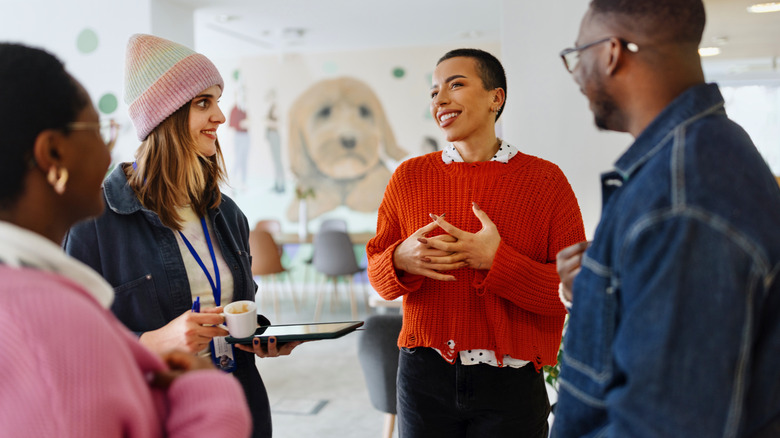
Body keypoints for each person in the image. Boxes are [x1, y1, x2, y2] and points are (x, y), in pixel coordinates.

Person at [552, 1, 780, 437]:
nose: (578, 74)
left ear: (611, 52)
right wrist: (605, 289)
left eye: (578, 56)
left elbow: (661, 427)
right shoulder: (701, 156)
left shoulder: (684, 196)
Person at [0, 42, 251, 437]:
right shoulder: (45, 305)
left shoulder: (228, 213)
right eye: (101, 130)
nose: (219, 117)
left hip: (237, 387)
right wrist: (177, 365)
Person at [64, 34, 300, 438]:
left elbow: (230, 304)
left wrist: (258, 334)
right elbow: (69, 346)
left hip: (240, 405)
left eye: (218, 101)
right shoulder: (94, 218)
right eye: (203, 103)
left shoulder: (228, 214)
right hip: (157, 414)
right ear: (165, 117)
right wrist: (151, 342)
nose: (222, 118)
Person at [366, 48, 586, 437]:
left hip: (512, 384)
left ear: (495, 98)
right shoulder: (408, 177)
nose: (440, 99)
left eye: (456, 85)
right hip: (423, 375)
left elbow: (575, 293)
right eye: (434, 91)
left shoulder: (546, 181)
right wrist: (398, 258)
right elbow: (380, 281)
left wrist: (496, 261)